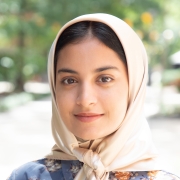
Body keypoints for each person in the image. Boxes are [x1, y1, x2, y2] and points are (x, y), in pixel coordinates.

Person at [8, 13, 179, 180]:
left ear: (135, 85)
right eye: (69, 80)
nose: (85, 99)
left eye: (105, 79)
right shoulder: (27, 177)